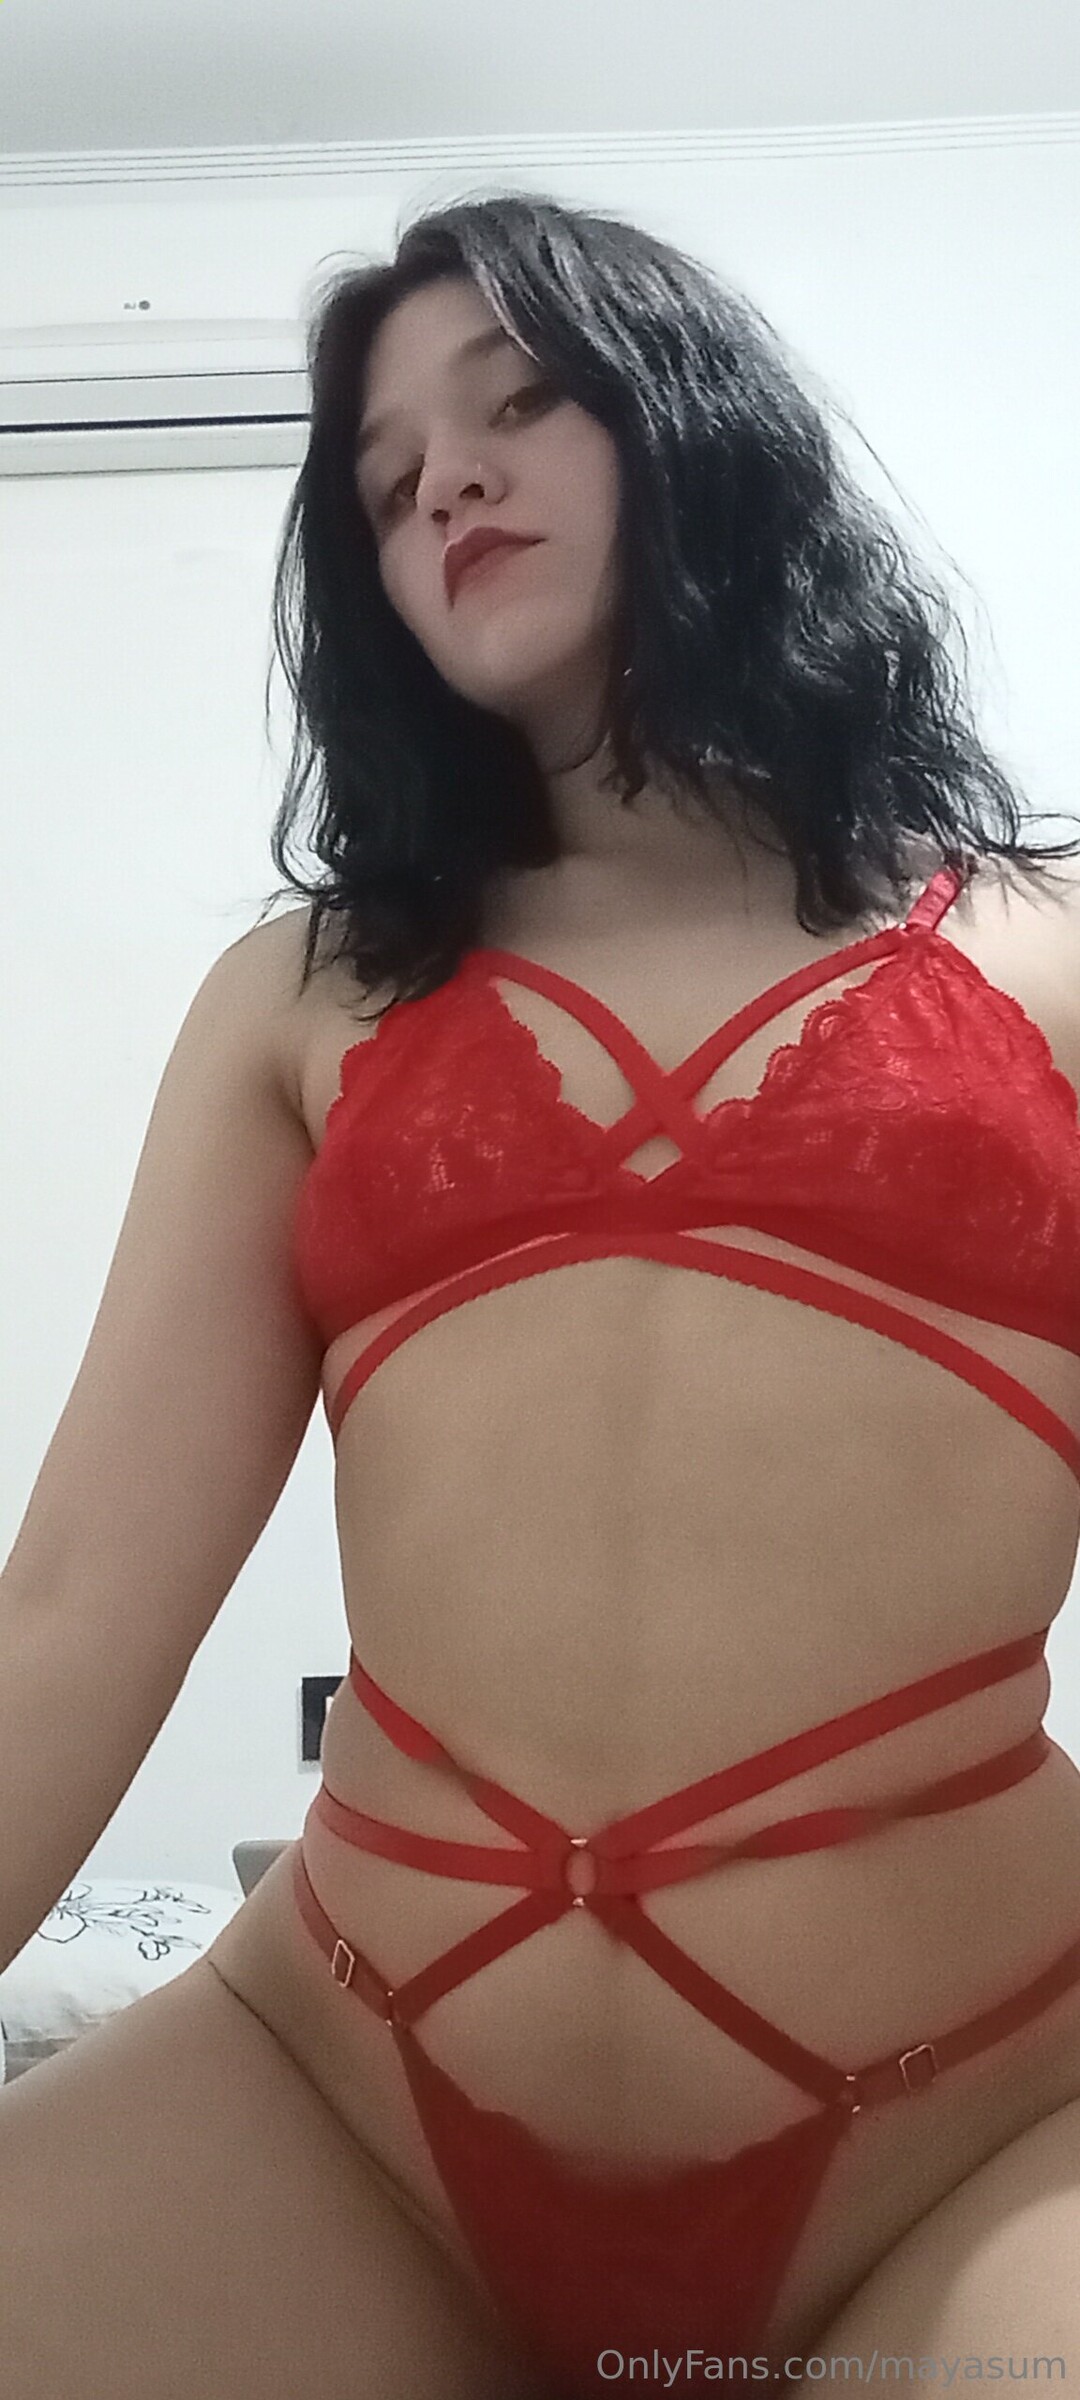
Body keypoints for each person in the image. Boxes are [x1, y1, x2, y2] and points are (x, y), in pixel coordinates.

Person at [3, 190, 1080, 2400]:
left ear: (698, 430)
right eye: (389, 476)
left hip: (980, 2124)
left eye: (518, 406)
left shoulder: (1049, 958)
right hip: (342, 2108)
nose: (447, 485)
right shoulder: (300, 998)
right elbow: (73, 1613)